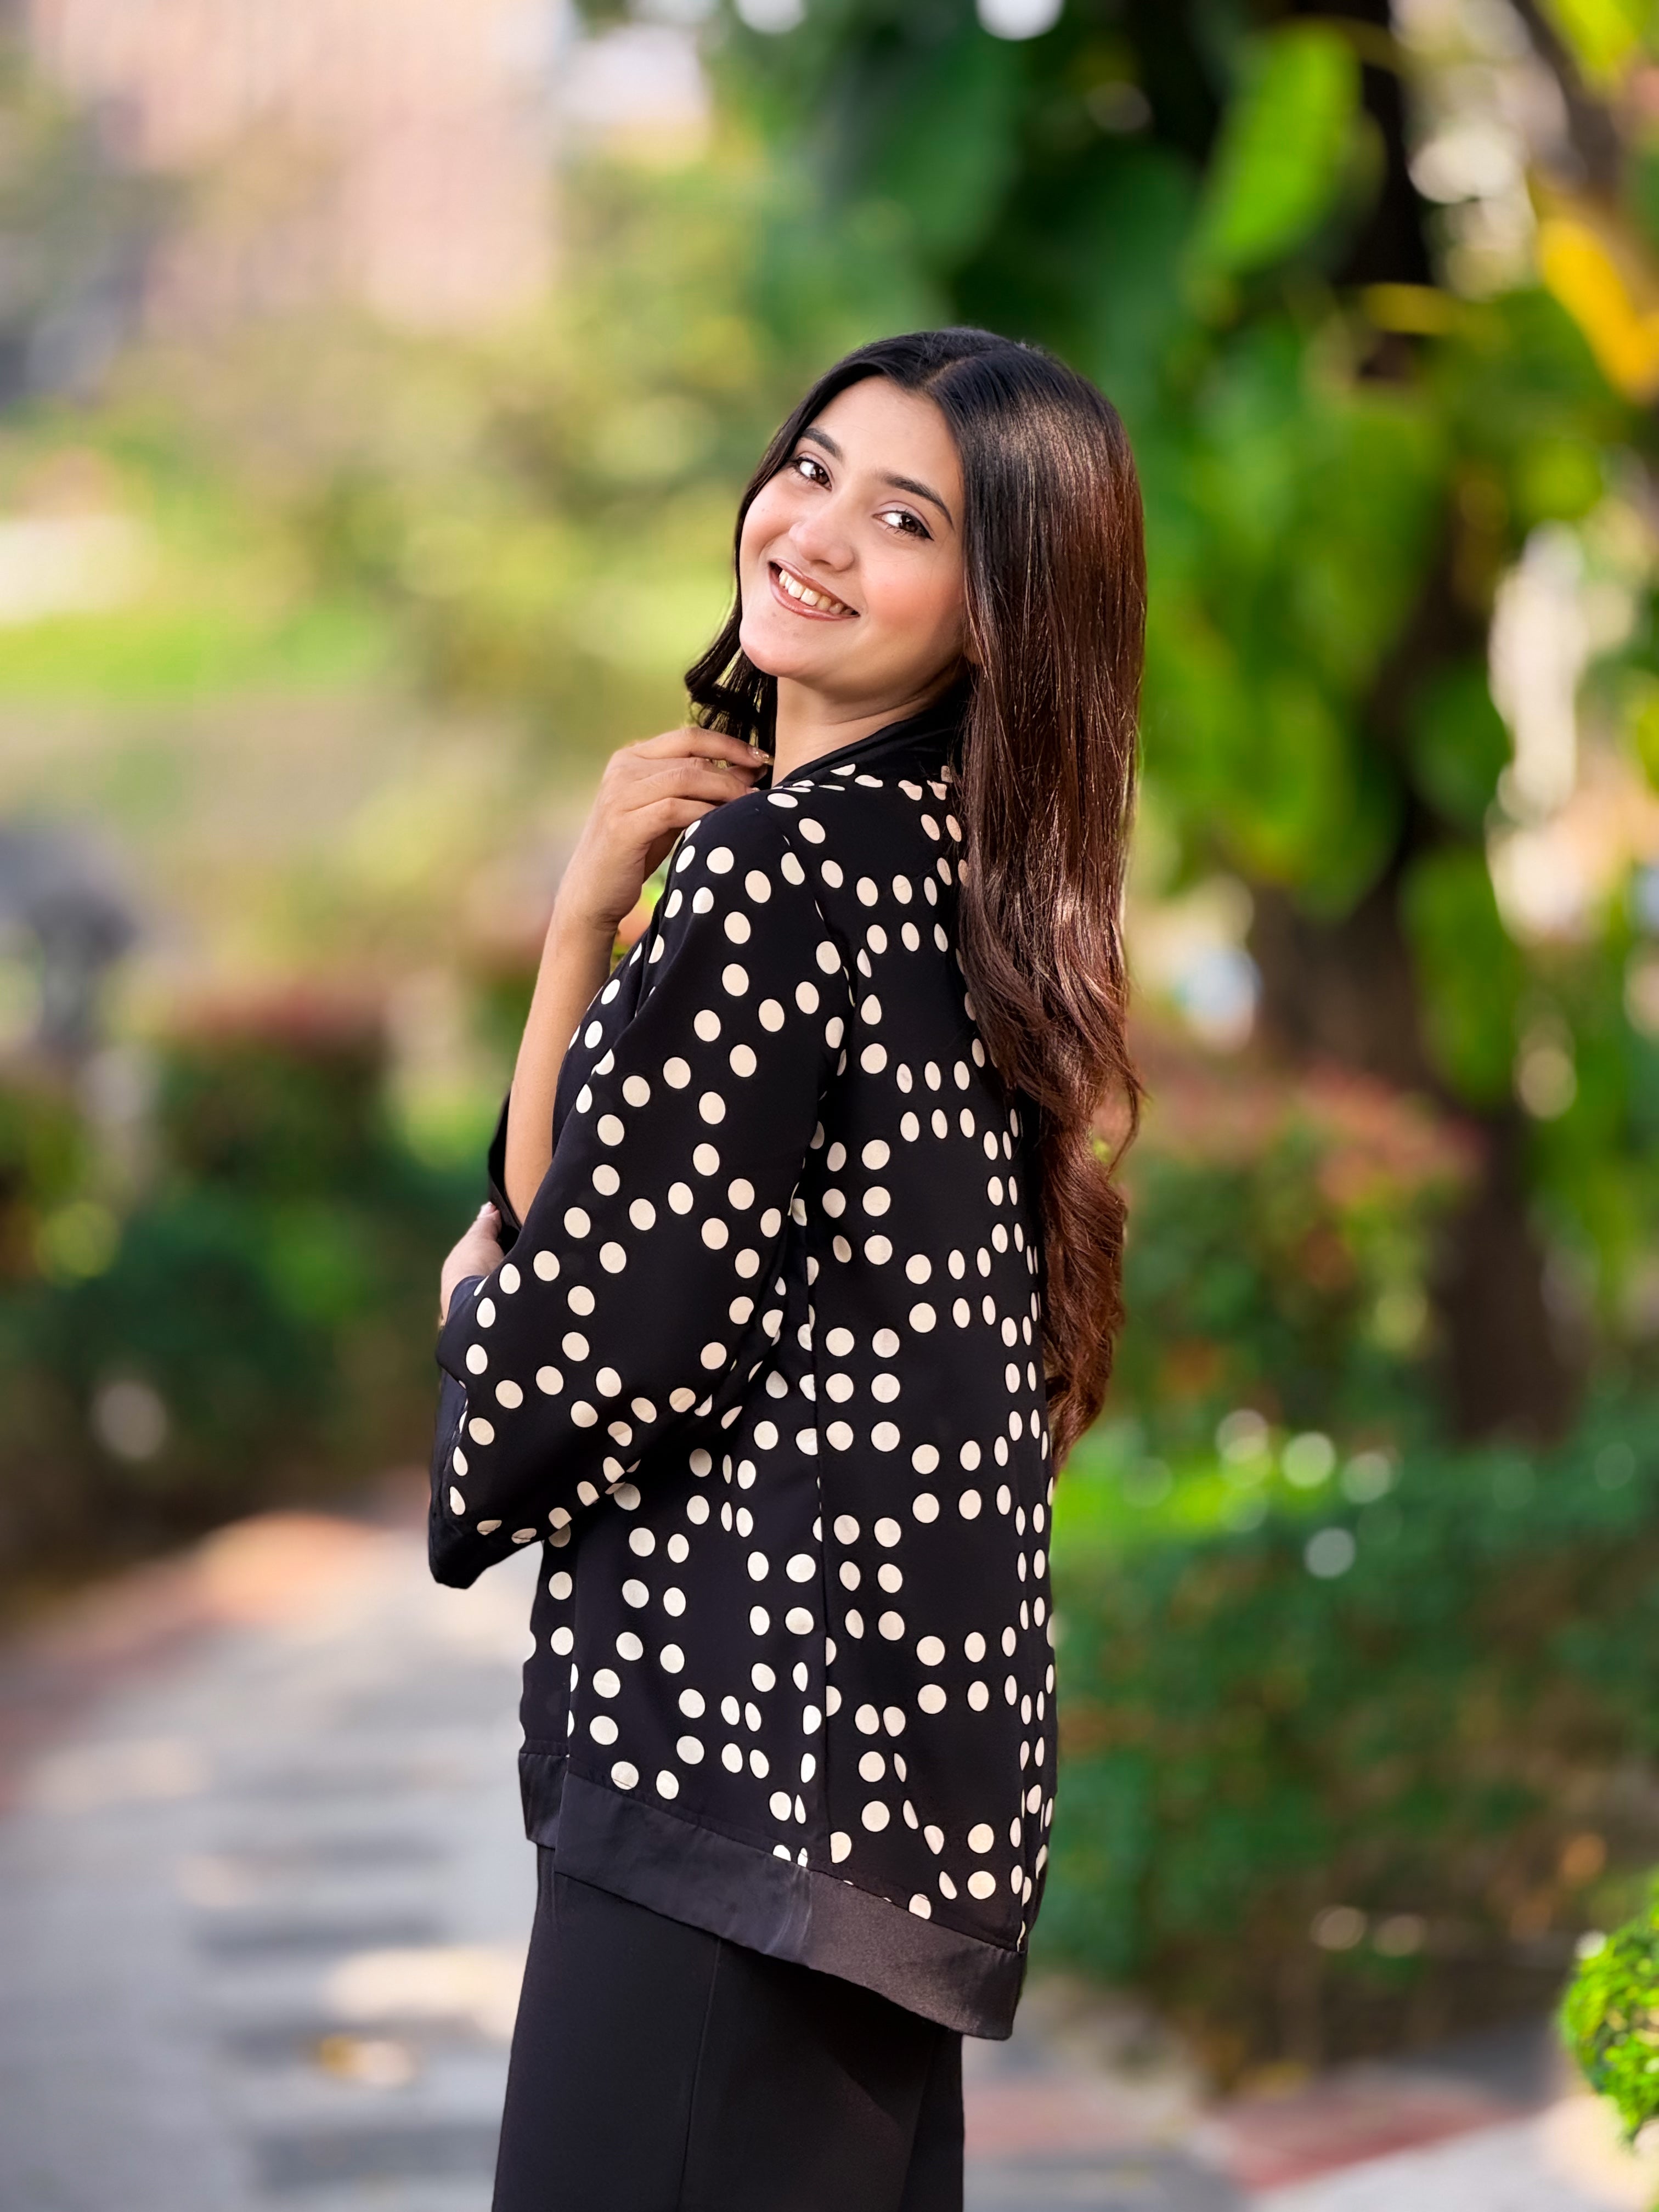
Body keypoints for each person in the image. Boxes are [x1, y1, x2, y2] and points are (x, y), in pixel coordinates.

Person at [431, 326, 1144, 2212]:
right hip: (893, 1827)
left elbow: (604, 1334)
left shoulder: (778, 877)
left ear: (994, 614)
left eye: (905, 519)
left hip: (726, 1795)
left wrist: (481, 1315)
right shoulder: (966, 878)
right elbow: (631, 1217)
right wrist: (589, 918)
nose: (815, 531)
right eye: (812, 468)